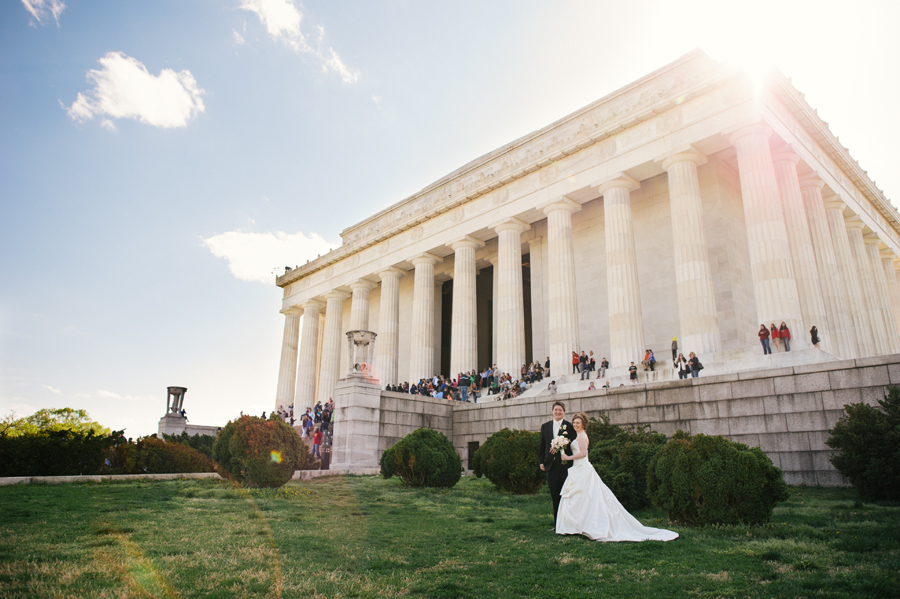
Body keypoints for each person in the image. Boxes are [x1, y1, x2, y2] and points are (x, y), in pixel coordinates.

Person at [556, 412, 678, 542]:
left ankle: (585, 525)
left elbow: (583, 453)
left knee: (588, 497)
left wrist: (567, 457)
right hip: (578, 469)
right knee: (578, 497)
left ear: (583, 424)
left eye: (578, 423)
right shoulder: (578, 435)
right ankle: (576, 525)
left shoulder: (581, 436)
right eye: (574, 422)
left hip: (582, 468)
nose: (575, 425)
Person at [539, 401, 578, 530]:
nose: (558, 412)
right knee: (555, 497)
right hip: (550, 467)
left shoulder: (569, 426)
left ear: (564, 412)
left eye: (560, 410)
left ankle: (568, 524)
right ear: (552, 411)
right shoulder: (545, 427)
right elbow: (542, 446)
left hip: (565, 467)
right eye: (556, 409)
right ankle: (557, 525)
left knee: (566, 496)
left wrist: (562, 445)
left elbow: (573, 443)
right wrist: (541, 462)